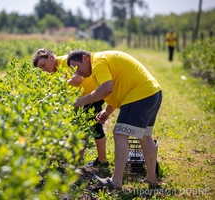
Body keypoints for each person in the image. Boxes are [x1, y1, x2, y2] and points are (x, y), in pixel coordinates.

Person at [67, 49, 162, 190]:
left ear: (85, 58)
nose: (77, 72)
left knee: (120, 134)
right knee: (145, 137)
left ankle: (115, 181)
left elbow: (107, 88)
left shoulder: (97, 62)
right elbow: (116, 88)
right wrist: (106, 111)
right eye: (73, 69)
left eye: (77, 67)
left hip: (138, 95)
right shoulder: (102, 60)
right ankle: (152, 180)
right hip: (153, 93)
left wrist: (81, 101)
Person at [32, 48, 109, 167]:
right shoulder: (53, 71)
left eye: (43, 65)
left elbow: (78, 79)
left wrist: (59, 84)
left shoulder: (65, 62)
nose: (43, 69)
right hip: (84, 97)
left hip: (93, 93)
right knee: (92, 126)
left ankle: (85, 162)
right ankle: (100, 161)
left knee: (88, 127)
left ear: (50, 58)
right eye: (40, 68)